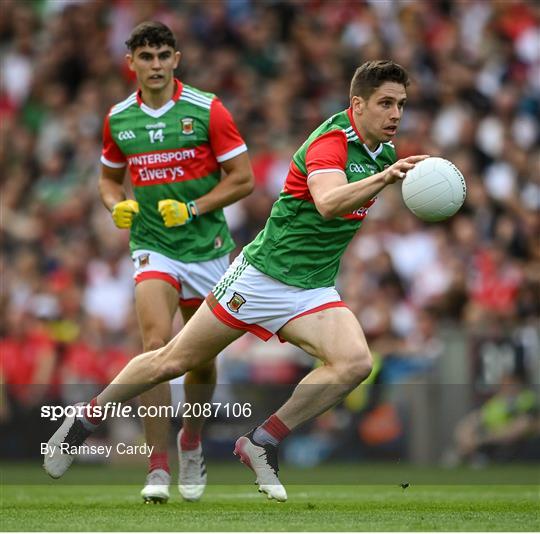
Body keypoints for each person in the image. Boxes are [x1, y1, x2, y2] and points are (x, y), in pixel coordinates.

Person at [44, 60, 428, 502]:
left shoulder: (383, 152)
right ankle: (84, 420)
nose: (396, 114)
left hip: (312, 287)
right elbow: (326, 203)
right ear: (357, 104)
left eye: (401, 104)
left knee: (356, 362)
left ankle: (261, 442)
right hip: (261, 277)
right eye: (385, 103)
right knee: (172, 360)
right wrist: (385, 179)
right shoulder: (331, 142)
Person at [98, 21, 254, 503]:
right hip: (152, 244)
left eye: (164, 55)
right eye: (147, 57)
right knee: (154, 344)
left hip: (207, 248)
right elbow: (108, 180)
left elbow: (242, 179)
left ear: (177, 58)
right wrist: (114, 204)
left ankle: (191, 439)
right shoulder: (119, 118)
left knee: (201, 363)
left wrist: (192, 207)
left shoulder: (208, 110)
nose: (157, 65)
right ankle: (158, 467)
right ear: (132, 64)